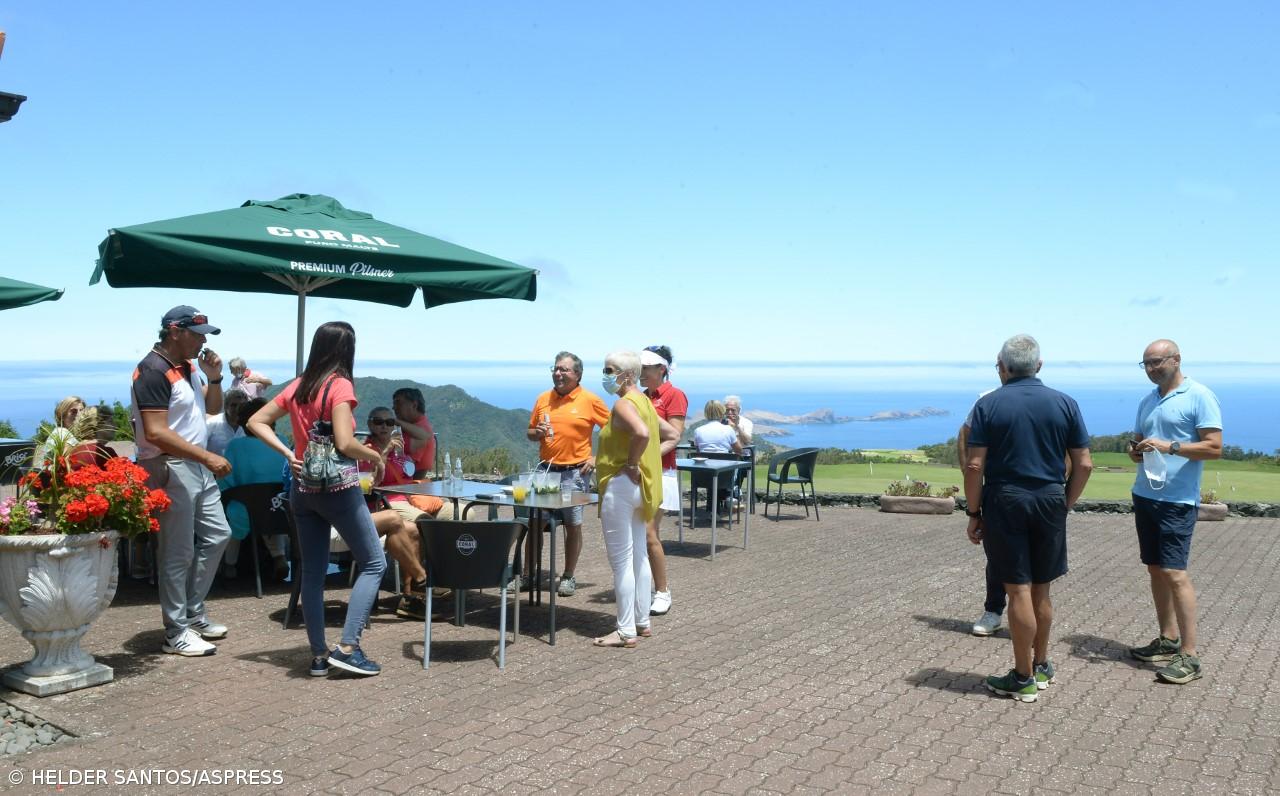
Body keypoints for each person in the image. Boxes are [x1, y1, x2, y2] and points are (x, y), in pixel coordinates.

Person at [246, 321, 387, 677]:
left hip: (302, 490)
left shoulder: (298, 386)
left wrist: (288, 452)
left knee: (311, 572)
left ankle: (319, 655)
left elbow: (256, 421)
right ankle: (349, 647)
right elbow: (344, 442)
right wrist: (376, 456)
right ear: (346, 351)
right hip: (338, 490)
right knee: (374, 563)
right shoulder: (339, 385)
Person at [963, 334, 1092, 702]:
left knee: (1016, 589)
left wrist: (974, 513)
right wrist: (1064, 502)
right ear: (1039, 365)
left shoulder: (988, 405)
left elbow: (975, 465)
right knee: (1042, 588)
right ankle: (1041, 664)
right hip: (1050, 499)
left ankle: (1022, 679)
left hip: (1005, 501)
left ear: (1002, 366)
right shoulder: (1065, 403)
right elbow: (1083, 463)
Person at [131, 306, 234, 657]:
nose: (203, 340)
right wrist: (206, 456)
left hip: (195, 466)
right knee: (178, 552)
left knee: (219, 535)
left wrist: (215, 377)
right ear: (175, 331)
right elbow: (156, 432)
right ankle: (176, 631)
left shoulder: (187, 367)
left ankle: (192, 613)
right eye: (198, 333)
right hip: (171, 466)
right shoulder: (152, 370)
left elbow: (211, 410)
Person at [1126, 339, 1222, 685]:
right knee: (1156, 569)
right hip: (1146, 495)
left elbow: (1214, 448)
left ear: (1176, 359)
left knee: (1175, 572)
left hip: (1178, 501)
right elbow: (1138, 440)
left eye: (1156, 362)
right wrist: (1135, 451)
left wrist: (1172, 446)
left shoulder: (1200, 396)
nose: (1151, 369)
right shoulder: (1148, 400)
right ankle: (1168, 639)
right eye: (1146, 364)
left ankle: (1190, 655)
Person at [593, 351, 676, 648]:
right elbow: (671, 434)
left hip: (621, 485)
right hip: (644, 490)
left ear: (627, 375)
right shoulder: (645, 402)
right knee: (639, 555)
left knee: (621, 562)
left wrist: (630, 463)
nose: (604, 374)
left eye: (609, 369)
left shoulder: (624, 403)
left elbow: (641, 433)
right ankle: (642, 621)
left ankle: (625, 630)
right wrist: (645, 461)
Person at [527, 351, 611, 598]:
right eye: (555, 368)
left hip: (575, 473)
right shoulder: (543, 398)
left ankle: (568, 576)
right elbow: (530, 432)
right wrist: (537, 433)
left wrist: (596, 458)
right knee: (535, 523)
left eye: (564, 369)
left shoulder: (590, 400)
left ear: (577, 374)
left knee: (572, 525)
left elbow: (613, 431)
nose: (558, 373)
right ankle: (529, 575)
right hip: (546, 472)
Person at [360, 405, 434, 620]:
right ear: (370, 424)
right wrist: (383, 453)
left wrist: (398, 425)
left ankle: (434, 584)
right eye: (379, 421)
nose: (384, 426)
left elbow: (425, 436)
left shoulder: (400, 447)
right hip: (386, 501)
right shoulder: (367, 450)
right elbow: (371, 483)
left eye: (389, 422)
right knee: (426, 525)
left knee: (454, 517)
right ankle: (415, 592)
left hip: (411, 497)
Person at [218, 397, 290, 581]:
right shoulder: (281, 441)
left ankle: (229, 564)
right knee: (272, 506)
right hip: (279, 509)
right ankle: (279, 557)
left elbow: (226, 480)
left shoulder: (236, 446)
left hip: (248, 510)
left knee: (233, 513)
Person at [639, 345, 686, 616]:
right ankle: (646, 586)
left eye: (646, 368)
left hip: (661, 473)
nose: (641, 373)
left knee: (649, 534)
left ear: (661, 369)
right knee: (639, 534)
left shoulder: (673, 395)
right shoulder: (642, 396)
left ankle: (662, 591)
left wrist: (648, 459)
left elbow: (674, 435)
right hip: (638, 473)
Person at [958, 389, 1006, 637]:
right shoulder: (985, 400)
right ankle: (993, 611)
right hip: (996, 491)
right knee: (996, 557)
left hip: (1039, 493)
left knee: (1035, 564)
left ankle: (1033, 622)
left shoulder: (1050, 399)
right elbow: (965, 435)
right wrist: (973, 497)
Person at [392, 387, 436, 477]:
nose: (393, 407)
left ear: (414, 405)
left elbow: (407, 467)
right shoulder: (411, 427)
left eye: (398, 403)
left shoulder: (420, 431)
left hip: (408, 485)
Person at [35, 395, 85, 467]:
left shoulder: (61, 433)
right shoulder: (62, 434)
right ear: (62, 415)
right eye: (73, 412)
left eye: (82, 411)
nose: (79, 415)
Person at [206, 388, 249, 457]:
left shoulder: (250, 427)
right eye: (233, 405)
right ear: (225, 406)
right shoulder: (211, 424)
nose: (237, 409)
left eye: (242, 405)